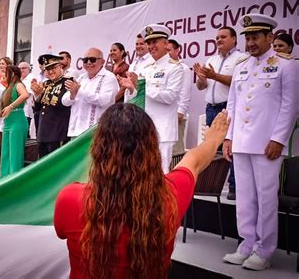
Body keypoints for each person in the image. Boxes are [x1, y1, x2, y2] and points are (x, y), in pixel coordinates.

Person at [54, 104, 230, 278]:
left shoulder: (70, 198)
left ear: (98, 149)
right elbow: (194, 160)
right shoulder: (171, 194)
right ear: (152, 149)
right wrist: (213, 140)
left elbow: (61, 232)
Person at [222, 13, 297, 270]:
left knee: (266, 198)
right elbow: (232, 105)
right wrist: (229, 137)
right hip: (241, 143)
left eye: (256, 37)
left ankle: (264, 251)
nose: (251, 42)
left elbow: (289, 107)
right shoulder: (242, 66)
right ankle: (246, 244)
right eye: (248, 37)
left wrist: (279, 139)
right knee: (244, 197)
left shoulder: (287, 65)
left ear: (270, 37)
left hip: (268, 145)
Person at [193, 26, 245, 200]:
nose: (219, 40)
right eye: (217, 38)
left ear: (234, 40)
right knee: (212, 147)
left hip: (227, 108)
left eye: (223, 37)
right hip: (211, 107)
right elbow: (202, 87)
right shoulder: (212, 59)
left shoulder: (242, 59)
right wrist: (202, 78)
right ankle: (210, 185)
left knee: (231, 149)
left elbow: (238, 83)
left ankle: (233, 186)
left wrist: (214, 76)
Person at [125, 25, 183, 173]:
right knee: (142, 172)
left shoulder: (174, 68)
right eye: (149, 43)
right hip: (144, 129)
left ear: (165, 43)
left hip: (163, 130)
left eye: (155, 42)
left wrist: (143, 86)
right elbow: (140, 97)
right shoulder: (146, 68)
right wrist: (132, 88)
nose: (151, 46)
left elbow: (170, 96)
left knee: (161, 173)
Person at [62, 47, 119, 138]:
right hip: (76, 132)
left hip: (97, 132)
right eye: (85, 60)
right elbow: (64, 101)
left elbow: (104, 101)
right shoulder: (81, 78)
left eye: (92, 60)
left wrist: (79, 92)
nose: (88, 63)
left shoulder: (109, 77)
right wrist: (72, 95)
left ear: (102, 62)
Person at [31, 55, 71, 157]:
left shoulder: (67, 82)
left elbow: (60, 103)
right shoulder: (45, 84)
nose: (50, 72)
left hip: (57, 133)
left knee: (58, 165)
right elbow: (37, 109)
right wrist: (37, 96)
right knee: (43, 165)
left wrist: (43, 94)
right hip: (43, 132)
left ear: (60, 67)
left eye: (53, 68)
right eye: (47, 69)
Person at [0, 65, 29, 176]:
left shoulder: (18, 84)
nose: (2, 76)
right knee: (5, 154)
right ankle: (4, 180)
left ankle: (13, 182)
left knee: (15, 155)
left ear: (11, 74)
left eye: (5, 73)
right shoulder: (7, 88)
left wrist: (11, 106)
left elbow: (25, 95)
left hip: (17, 121)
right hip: (8, 122)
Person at [167, 39, 192, 154]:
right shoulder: (162, 68)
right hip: (163, 117)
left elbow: (185, 93)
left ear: (177, 50)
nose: (167, 53)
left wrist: (180, 113)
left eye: (169, 50)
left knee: (175, 153)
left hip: (176, 117)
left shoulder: (184, 68)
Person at [18, 61, 36, 132]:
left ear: (29, 69)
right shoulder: (18, 79)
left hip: (27, 111)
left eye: (24, 68)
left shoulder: (31, 78)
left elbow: (27, 94)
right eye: (19, 68)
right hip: (19, 111)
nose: (21, 70)